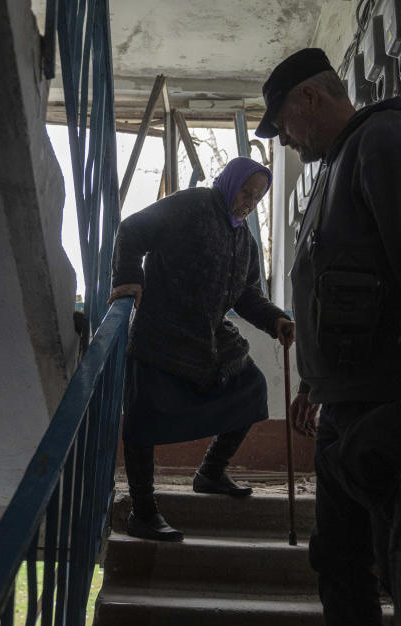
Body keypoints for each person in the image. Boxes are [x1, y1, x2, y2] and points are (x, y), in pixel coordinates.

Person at [256, 48, 401, 626]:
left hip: (392, 406)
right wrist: (314, 383)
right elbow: (342, 288)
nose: (283, 142)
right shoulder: (336, 165)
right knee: (340, 560)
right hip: (348, 408)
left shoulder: (384, 139)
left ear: (310, 97)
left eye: (283, 124)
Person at [108, 157, 296, 542]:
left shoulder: (244, 239)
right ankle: (143, 510)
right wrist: (129, 279)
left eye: (258, 197)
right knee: (143, 421)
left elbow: (246, 295)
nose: (249, 201)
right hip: (161, 333)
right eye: (246, 190)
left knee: (251, 388)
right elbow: (132, 230)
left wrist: (275, 319)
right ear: (229, 182)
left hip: (210, 338)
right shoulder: (190, 205)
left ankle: (211, 471)